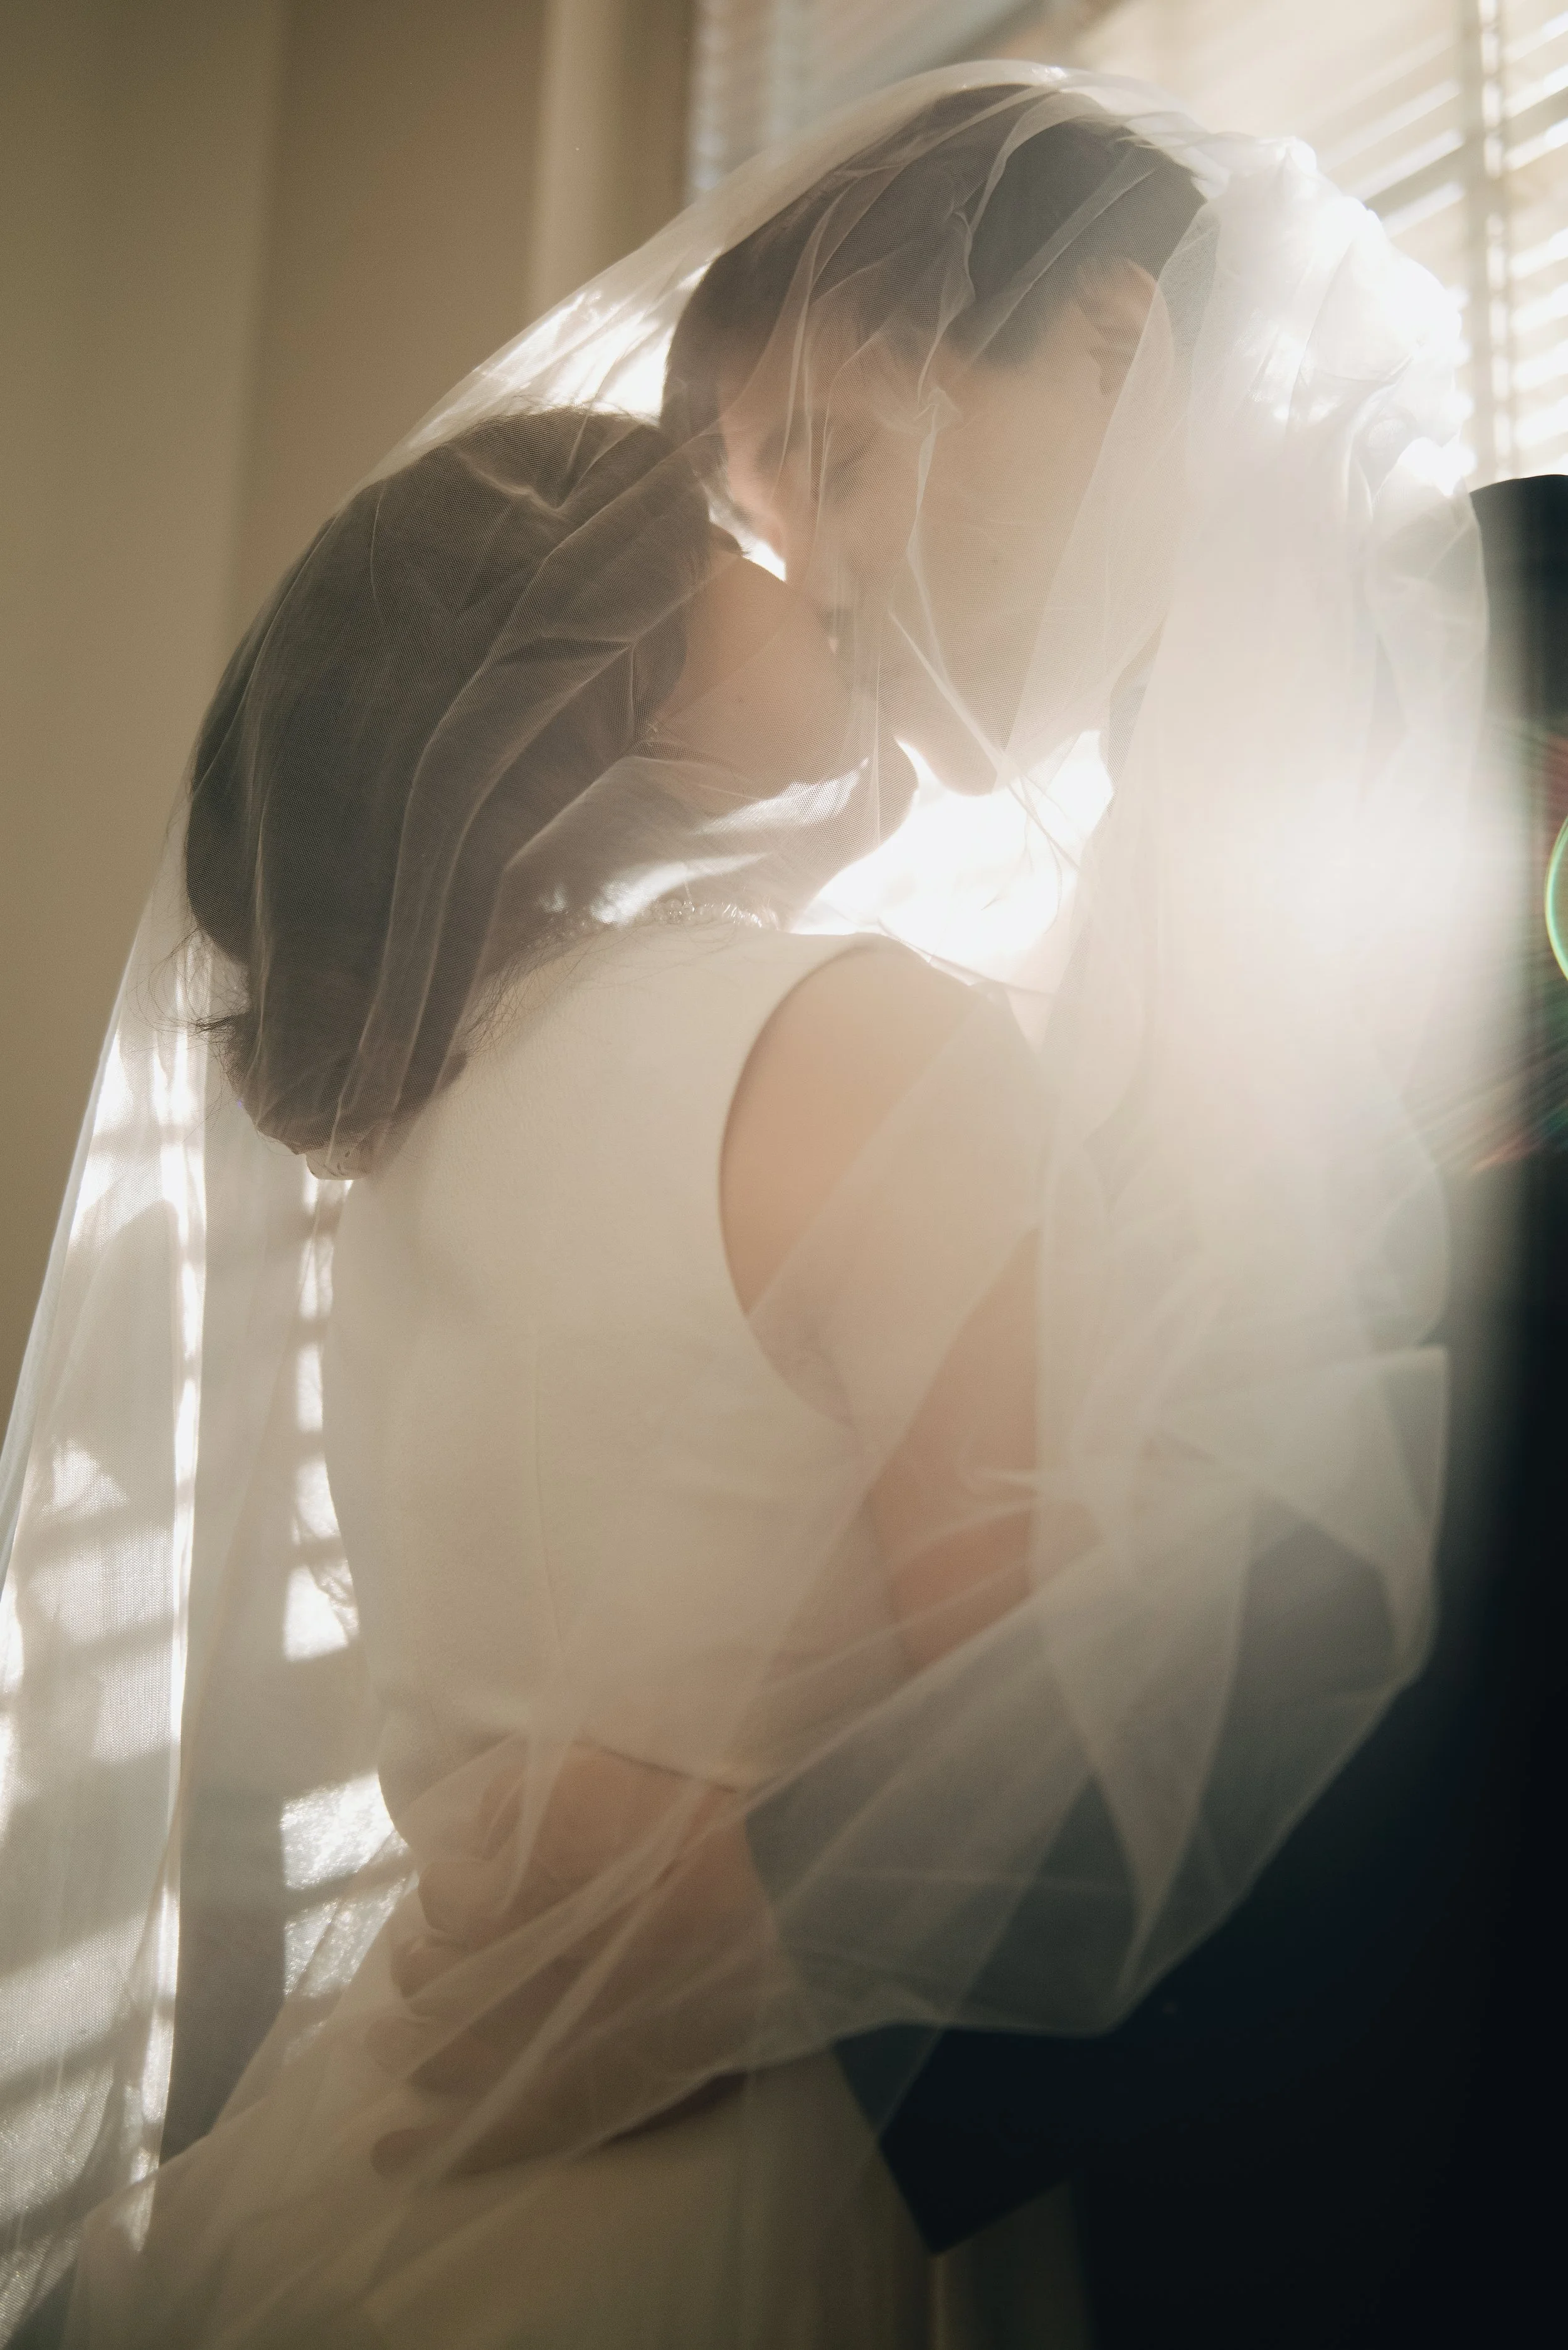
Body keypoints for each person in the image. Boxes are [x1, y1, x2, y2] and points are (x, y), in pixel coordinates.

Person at [0, 66, 1488, 2349]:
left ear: (1115, 342)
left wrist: (770, 1880)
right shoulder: (897, 1014)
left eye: (856, 467)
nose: (842, 581)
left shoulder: (1493, 679)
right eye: (770, 525)